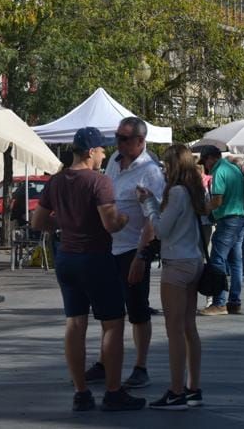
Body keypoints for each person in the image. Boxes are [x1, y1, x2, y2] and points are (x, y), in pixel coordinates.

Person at [30, 127, 144, 412]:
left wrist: (66, 224)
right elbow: (110, 223)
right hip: (96, 258)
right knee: (113, 324)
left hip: (66, 258)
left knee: (75, 323)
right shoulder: (99, 181)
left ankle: (81, 393)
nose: (106, 154)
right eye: (103, 149)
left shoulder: (56, 181)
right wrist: (126, 218)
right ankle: (114, 392)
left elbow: (38, 222)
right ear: (91, 151)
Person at [84, 117, 164, 391]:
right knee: (108, 311)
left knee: (138, 310)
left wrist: (142, 257)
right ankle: (105, 361)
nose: (118, 142)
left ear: (141, 141)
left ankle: (141, 367)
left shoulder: (151, 172)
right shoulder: (114, 160)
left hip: (132, 249)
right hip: (107, 247)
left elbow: (153, 219)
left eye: (124, 138)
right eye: (117, 137)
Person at [137, 144, 206, 410]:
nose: (164, 170)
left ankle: (176, 391)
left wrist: (149, 205)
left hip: (176, 263)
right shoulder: (194, 190)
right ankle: (193, 387)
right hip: (194, 260)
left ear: (175, 166)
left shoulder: (177, 192)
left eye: (166, 165)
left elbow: (162, 230)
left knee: (174, 330)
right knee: (189, 327)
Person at [199, 145, 244, 315]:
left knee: (217, 259)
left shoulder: (219, 171)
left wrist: (204, 208)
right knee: (236, 262)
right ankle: (234, 301)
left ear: (210, 158)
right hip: (241, 217)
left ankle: (219, 303)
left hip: (228, 219)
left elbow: (217, 200)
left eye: (205, 161)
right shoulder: (234, 168)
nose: (205, 166)